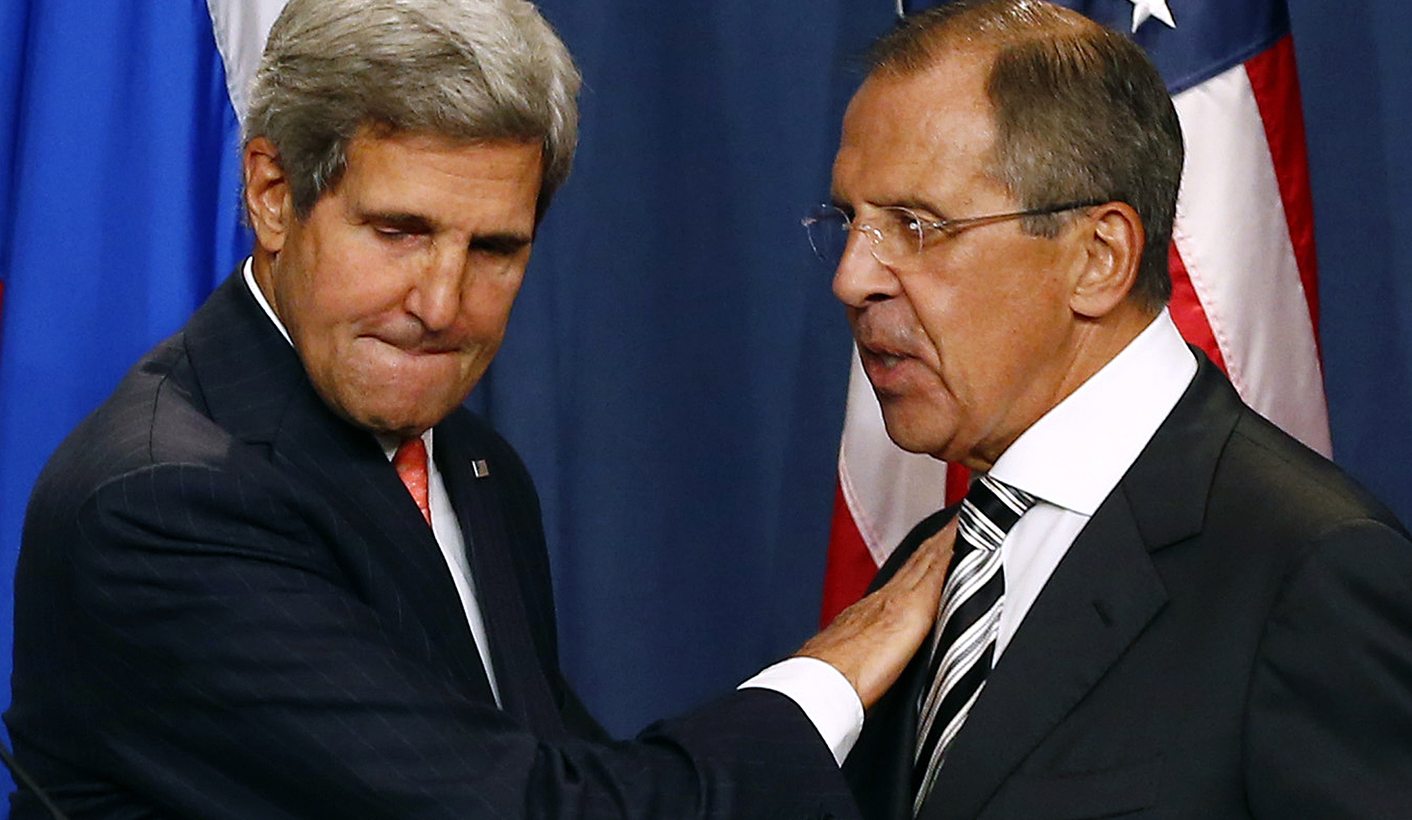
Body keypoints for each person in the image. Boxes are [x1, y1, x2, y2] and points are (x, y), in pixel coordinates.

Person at [4, 1, 955, 817]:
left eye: (494, 249)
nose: (441, 305)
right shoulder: (165, 501)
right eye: (398, 231)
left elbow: (562, 769)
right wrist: (829, 677)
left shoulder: (468, 459)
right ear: (272, 196)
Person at [808, 1, 1412, 818]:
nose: (852, 279)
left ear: (1099, 257)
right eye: (850, 222)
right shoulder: (929, 566)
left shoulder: (1308, 570)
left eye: (914, 225)